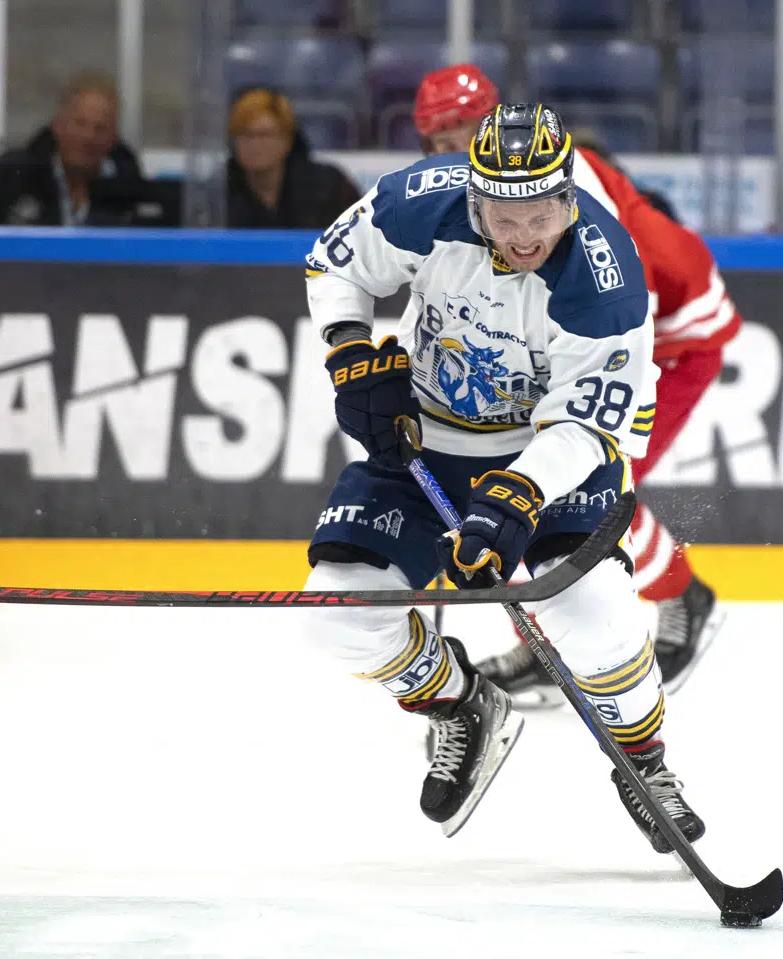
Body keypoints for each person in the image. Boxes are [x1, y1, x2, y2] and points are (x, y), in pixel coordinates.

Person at [301, 102, 705, 851]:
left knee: (596, 613)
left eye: (540, 215)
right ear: (473, 197)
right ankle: (461, 705)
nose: (522, 236)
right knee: (337, 611)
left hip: (550, 451)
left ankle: (646, 763)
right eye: (503, 216)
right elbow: (336, 262)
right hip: (428, 437)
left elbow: (587, 421)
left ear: (568, 198)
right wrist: (349, 347)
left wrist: (517, 494)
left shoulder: (607, 280)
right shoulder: (422, 201)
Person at [412, 64, 738, 699]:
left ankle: (683, 596)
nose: (450, 151)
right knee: (530, 491)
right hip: (599, 333)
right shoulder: (480, 185)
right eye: (438, 141)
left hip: (667, 337)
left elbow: (619, 291)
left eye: (463, 133)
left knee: (587, 488)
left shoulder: (554, 174)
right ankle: (548, 637)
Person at [0, 70, 143, 226]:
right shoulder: (8, 177)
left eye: (100, 129)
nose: (88, 137)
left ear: (113, 138)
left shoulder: (132, 191)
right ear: (57, 125)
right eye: (79, 124)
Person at [226, 88, 361, 230]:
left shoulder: (330, 187)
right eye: (244, 135)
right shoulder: (219, 193)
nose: (254, 144)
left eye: (264, 135)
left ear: (287, 140)